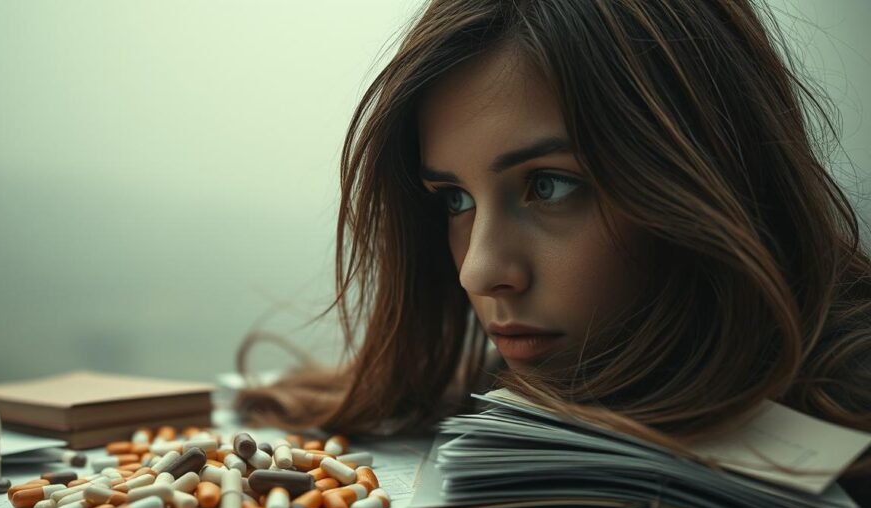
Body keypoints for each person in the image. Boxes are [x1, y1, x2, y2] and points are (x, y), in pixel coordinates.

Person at [235, 0, 871, 481]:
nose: (478, 271)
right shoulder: (469, 398)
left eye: (550, 186)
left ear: (713, 177)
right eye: (454, 200)